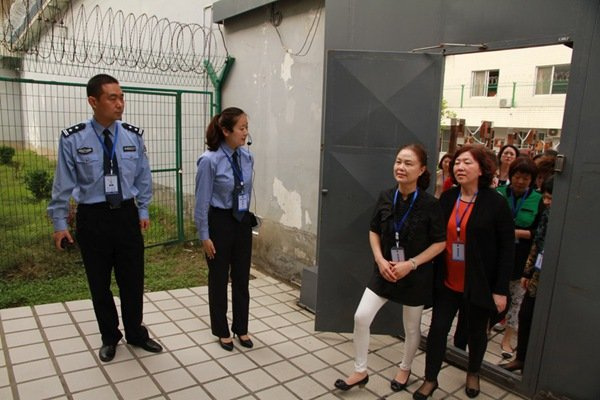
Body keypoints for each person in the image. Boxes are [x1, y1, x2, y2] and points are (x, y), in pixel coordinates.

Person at [47, 74, 162, 362]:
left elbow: (143, 176)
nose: (120, 103)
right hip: (93, 217)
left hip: (126, 215)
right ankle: (110, 336)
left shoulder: (133, 136)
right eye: (112, 98)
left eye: (121, 97)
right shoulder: (73, 138)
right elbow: (62, 184)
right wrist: (60, 224)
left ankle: (136, 332)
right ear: (93, 101)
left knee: (132, 280)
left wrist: (143, 209)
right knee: (99, 283)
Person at [334, 144, 446, 392]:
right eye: (398, 162)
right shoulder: (386, 196)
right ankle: (360, 371)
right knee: (361, 316)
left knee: (411, 328)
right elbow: (374, 230)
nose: (401, 167)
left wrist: (411, 264)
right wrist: (380, 260)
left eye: (408, 163)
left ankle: (405, 367)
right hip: (385, 270)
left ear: (422, 170)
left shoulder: (430, 204)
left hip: (415, 275)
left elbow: (440, 243)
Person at [415, 145, 514, 400]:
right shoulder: (448, 198)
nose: (459, 167)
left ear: (482, 169)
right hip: (447, 281)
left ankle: (473, 372)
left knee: (476, 333)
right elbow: (435, 236)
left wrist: (500, 290)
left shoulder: (496, 203)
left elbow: (507, 250)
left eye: (467, 162)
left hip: (479, 283)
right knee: (437, 330)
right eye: (457, 162)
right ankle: (430, 379)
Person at [194, 107, 255, 351]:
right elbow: (201, 201)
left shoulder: (247, 157)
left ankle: (241, 327)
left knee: (241, 278)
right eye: (241, 128)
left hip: (241, 221)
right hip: (219, 222)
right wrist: (204, 235)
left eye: (246, 127)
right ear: (226, 131)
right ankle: (221, 330)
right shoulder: (209, 161)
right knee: (219, 279)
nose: (245, 132)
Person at [502, 177, 553, 373]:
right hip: (536, 275)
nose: (546, 202)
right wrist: (527, 271)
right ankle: (521, 358)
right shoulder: (547, 214)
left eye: (550, 198)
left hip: (554, 276)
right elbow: (537, 245)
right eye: (545, 197)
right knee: (526, 314)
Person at [496, 157, 543, 359]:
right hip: (497, 253)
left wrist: (514, 232)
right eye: (517, 176)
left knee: (517, 299)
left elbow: (538, 231)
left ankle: (507, 338)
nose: (520, 181)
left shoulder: (538, 199)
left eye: (526, 178)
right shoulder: (498, 193)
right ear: (511, 175)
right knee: (494, 293)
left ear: (532, 179)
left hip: (522, 256)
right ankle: (486, 327)